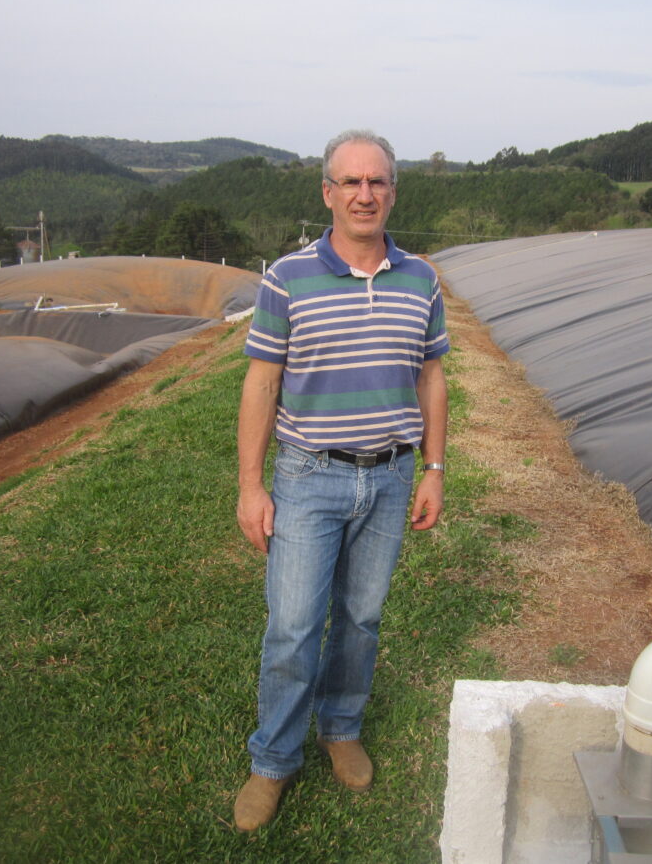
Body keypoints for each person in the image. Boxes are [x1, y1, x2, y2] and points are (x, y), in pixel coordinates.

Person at [233, 129, 450, 831]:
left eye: (377, 182)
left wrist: (434, 469)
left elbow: (433, 376)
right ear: (328, 193)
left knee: (360, 618)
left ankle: (341, 727)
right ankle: (272, 761)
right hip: (308, 477)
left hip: (389, 478)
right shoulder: (288, 278)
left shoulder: (421, 279)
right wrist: (250, 485)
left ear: (393, 192)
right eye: (350, 182)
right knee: (295, 627)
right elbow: (262, 381)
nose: (365, 194)